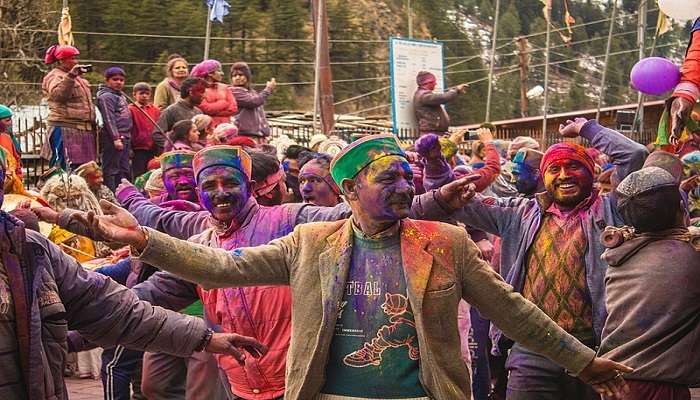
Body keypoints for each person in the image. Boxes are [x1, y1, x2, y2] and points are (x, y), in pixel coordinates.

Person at [90, 135, 632, 400]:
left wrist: (585, 362)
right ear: (349, 190)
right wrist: (145, 239)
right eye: (388, 179)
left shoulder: (444, 242)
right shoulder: (309, 243)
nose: (405, 186)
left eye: (406, 176)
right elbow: (219, 265)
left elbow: (513, 311)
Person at [0, 148, 266, 400]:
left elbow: (111, 308)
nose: (220, 193)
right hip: (169, 313)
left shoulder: (29, 251)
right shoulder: (192, 223)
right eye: (208, 185)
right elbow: (153, 277)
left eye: (230, 183)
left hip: (200, 326)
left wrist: (206, 337)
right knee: (149, 382)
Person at [448, 118, 647, 400]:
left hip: (597, 348)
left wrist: (586, 129)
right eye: (555, 169)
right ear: (544, 177)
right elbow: (455, 202)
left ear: (591, 172)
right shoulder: (519, 213)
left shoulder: (613, 209)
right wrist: (437, 164)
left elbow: (634, 155)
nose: (564, 174)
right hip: (533, 351)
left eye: (574, 166)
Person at [598, 167, 700, 400]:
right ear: (681, 208)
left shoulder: (618, 256)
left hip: (617, 383)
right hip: (663, 387)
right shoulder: (690, 257)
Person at [41, 44, 96, 169]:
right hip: (65, 128)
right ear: (61, 60)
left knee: (85, 169)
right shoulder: (54, 76)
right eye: (71, 58)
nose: (75, 61)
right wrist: (70, 76)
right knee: (63, 167)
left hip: (83, 130)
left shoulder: (79, 78)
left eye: (75, 58)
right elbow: (57, 95)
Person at [96, 66, 133, 191]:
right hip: (114, 138)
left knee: (123, 169)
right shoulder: (106, 97)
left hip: (125, 136)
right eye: (115, 79)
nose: (119, 82)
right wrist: (116, 138)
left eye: (121, 80)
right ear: (107, 81)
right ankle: (111, 194)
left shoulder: (120, 96)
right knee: (112, 169)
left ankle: (124, 195)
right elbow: (109, 118)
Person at [152, 77, 206, 154]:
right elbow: (157, 134)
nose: (204, 96)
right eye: (201, 92)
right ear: (191, 92)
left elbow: (202, 137)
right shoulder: (171, 110)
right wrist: (174, 147)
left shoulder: (198, 112)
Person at [230, 61, 275, 140]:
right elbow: (254, 102)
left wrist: (265, 130)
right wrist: (268, 89)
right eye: (234, 76)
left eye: (240, 75)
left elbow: (260, 113)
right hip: (244, 135)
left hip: (258, 135)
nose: (237, 78)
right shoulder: (234, 91)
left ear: (247, 76)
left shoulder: (252, 92)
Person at [412, 70, 466, 136]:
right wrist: (456, 90)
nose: (435, 84)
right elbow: (443, 98)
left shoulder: (423, 94)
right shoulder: (424, 96)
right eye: (434, 82)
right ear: (428, 82)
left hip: (434, 132)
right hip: (431, 132)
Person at [190, 59, 237, 127]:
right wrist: (224, 103)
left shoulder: (224, 87)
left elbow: (233, 109)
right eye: (219, 71)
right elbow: (206, 109)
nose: (222, 73)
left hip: (226, 128)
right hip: (208, 130)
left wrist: (214, 111)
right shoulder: (199, 89)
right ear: (210, 73)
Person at [129, 82, 161, 178]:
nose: (144, 96)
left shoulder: (155, 110)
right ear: (134, 95)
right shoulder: (131, 109)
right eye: (141, 93)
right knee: (139, 173)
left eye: (147, 94)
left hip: (153, 146)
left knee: (153, 172)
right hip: (138, 147)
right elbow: (129, 129)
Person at [0, 105, 22, 180]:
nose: (10, 123)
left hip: (9, 181)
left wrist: (19, 177)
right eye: (7, 120)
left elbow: (16, 160)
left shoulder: (7, 138)